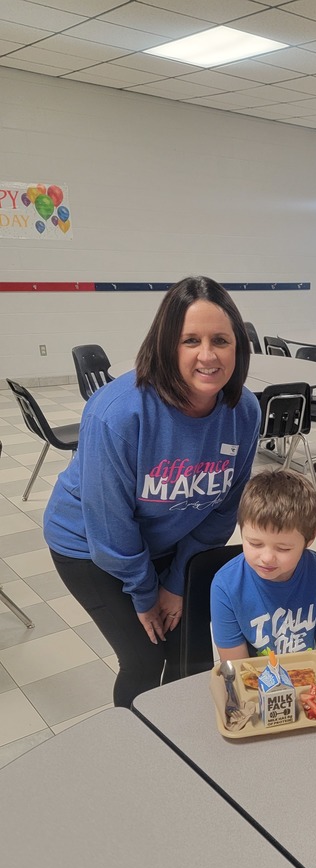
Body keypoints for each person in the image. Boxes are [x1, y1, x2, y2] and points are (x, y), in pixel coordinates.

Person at [43, 276, 261, 708]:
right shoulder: (117, 413)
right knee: (144, 659)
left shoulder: (243, 411)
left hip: (171, 538)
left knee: (189, 656)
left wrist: (176, 582)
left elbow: (224, 509)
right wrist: (146, 594)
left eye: (220, 340)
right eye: (190, 340)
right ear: (165, 346)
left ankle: (185, 735)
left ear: (238, 347)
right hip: (91, 547)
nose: (207, 355)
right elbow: (110, 525)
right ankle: (135, 741)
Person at [210, 469, 316, 660]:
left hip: (312, 673)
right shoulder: (226, 586)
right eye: (255, 544)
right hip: (254, 675)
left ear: (309, 539)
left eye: (283, 548)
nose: (267, 558)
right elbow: (237, 667)